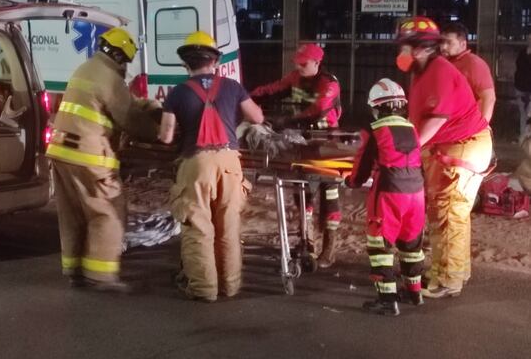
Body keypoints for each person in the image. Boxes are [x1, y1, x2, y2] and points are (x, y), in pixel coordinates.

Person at [46, 27, 160, 292]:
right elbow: (131, 120)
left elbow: (113, 105)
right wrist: (154, 128)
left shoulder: (85, 69)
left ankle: (75, 270)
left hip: (61, 152)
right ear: (121, 57)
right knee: (107, 211)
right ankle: (100, 275)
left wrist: (139, 105)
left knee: (73, 213)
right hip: (88, 156)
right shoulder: (111, 79)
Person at [159, 31, 264, 302]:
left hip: (196, 164)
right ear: (215, 61)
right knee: (227, 226)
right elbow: (257, 116)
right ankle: (230, 286)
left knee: (199, 227)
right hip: (230, 162)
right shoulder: (232, 86)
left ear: (186, 64)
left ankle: (204, 289)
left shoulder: (177, 93)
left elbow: (166, 136)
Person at [395, 16, 493, 299]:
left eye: (404, 47)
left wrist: (402, 151)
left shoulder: (438, 71)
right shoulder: (423, 72)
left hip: (461, 146)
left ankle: (448, 279)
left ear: (421, 48)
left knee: (448, 213)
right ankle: (453, 271)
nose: (401, 54)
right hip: (454, 146)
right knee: (449, 213)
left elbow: (433, 123)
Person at [249, 43, 343, 268]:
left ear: (317, 63)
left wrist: (289, 121)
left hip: (327, 143)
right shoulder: (295, 78)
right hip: (302, 141)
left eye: (304, 64)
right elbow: (272, 90)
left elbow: (318, 109)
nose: (299, 67)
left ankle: (329, 248)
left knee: (329, 195)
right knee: (302, 193)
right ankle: (306, 241)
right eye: (297, 63)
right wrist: (247, 98)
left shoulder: (329, 83)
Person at [345, 78, 426, 316]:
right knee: (412, 245)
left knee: (380, 246)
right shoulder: (412, 128)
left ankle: (387, 299)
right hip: (417, 193)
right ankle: (414, 293)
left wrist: (351, 181)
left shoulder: (374, 131)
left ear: (376, 106)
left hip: (390, 193)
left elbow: (362, 169)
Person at [439, 22, 496, 122]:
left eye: (449, 43)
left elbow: (489, 98)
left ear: (463, 44)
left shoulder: (473, 64)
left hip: (466, 126)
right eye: (441, 42)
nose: (443, 47)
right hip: (447, 124)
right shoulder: (443, 63)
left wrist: (482, 126)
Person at [514, 34, 531, 141]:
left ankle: (526, 137)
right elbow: (519, 68)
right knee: (523, 113)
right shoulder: (523, 52)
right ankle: (523, 137)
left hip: (525, 87)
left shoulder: (524, 53)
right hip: (521, 87)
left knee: (528, 114)